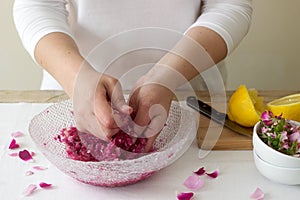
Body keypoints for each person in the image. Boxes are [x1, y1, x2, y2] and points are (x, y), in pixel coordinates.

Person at [13, 0, 252, 152]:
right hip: (74, 91)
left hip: (186, 92)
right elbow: (36, 4)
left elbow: (229, 5)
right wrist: (77, 78)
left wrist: (167, 76)